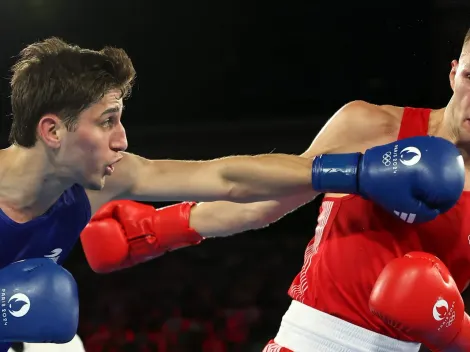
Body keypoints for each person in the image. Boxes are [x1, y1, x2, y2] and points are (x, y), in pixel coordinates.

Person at [2, 36, 461, 350]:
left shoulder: (110, 177)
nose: (122, 139)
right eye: (107, 122)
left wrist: (353, 171)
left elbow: (226, 178)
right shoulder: (378, 124)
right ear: (52, 131)